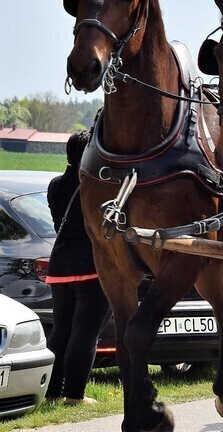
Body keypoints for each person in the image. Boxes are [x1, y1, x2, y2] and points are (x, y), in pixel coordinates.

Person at [46, 130, 109, 405]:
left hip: (59, 267)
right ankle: (74, 395)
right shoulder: (94, 187)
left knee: (60, 332)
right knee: (85, 333)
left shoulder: (54, 185)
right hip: (90, 267)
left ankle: (51, 392)